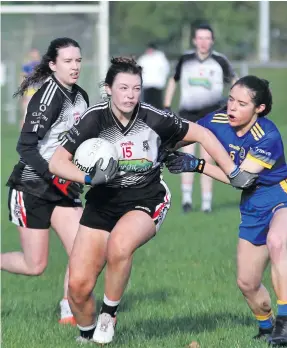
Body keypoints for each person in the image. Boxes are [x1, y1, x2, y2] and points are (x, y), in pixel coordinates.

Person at [48, 56, 256, 345]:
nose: (130, 95)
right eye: (123, 88)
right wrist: (88, 178)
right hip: (102, 203)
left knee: (120, 245)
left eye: (136, 88)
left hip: (146, 199)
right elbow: (57, 162)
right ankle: (86, 335)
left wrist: (232, 172)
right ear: (108, 88)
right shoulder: (94, 119)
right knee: (78, 287)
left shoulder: (153, 117)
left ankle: (109, 314)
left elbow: (203, 134)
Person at [164, 75, 287, 346]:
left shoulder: (268, 135)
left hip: (284, 196)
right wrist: (159, 141)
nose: (232, 107)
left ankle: (285, 321)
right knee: (247, 283)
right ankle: (267, 330)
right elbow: (181, 139)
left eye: (242, 104)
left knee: (277, 241)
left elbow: (241, 178)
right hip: (252, 206)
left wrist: (197, 165)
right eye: (231, 99)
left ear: (259, 109)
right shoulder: (217, 121)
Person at [1, 37, 89, 325]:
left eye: (77, 60)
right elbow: (25, 148)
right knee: (35, 265)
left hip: (62, 188)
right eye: (67, 61)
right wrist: (54, 174)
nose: (75, 66)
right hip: (32, 187)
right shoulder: (47, 98)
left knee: (83, 246)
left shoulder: (81, 97)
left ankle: (68, 308)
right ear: (53, 65)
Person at [163, 23, 237, 213]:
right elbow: (173, 80)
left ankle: (206, 203)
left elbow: (236, 83)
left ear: (212, 41)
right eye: (200, 38)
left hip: (213, 118)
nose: (204, 42)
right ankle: (187, 199)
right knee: (187, 155)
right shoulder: (186, 60)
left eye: (207, 38)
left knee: (207, 160)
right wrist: (167, 105)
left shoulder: (220, 61)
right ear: (195, 40)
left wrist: (236, 104)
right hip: (187, 116)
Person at [137, 42, 170, 109]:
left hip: (157, 85)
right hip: (147, 85)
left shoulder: (160, 58)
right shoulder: (143, 59)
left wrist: (162, 80)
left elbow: (166, 69)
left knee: (157, 104)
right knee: (147, 104)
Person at [20, 48, 42, 127]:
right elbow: (23, 77)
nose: (34, 55)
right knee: (27, 111)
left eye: (35, 53)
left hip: (40, 90)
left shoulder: (42, 65)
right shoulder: (27, 65)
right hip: (30, 90)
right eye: (33, 53)